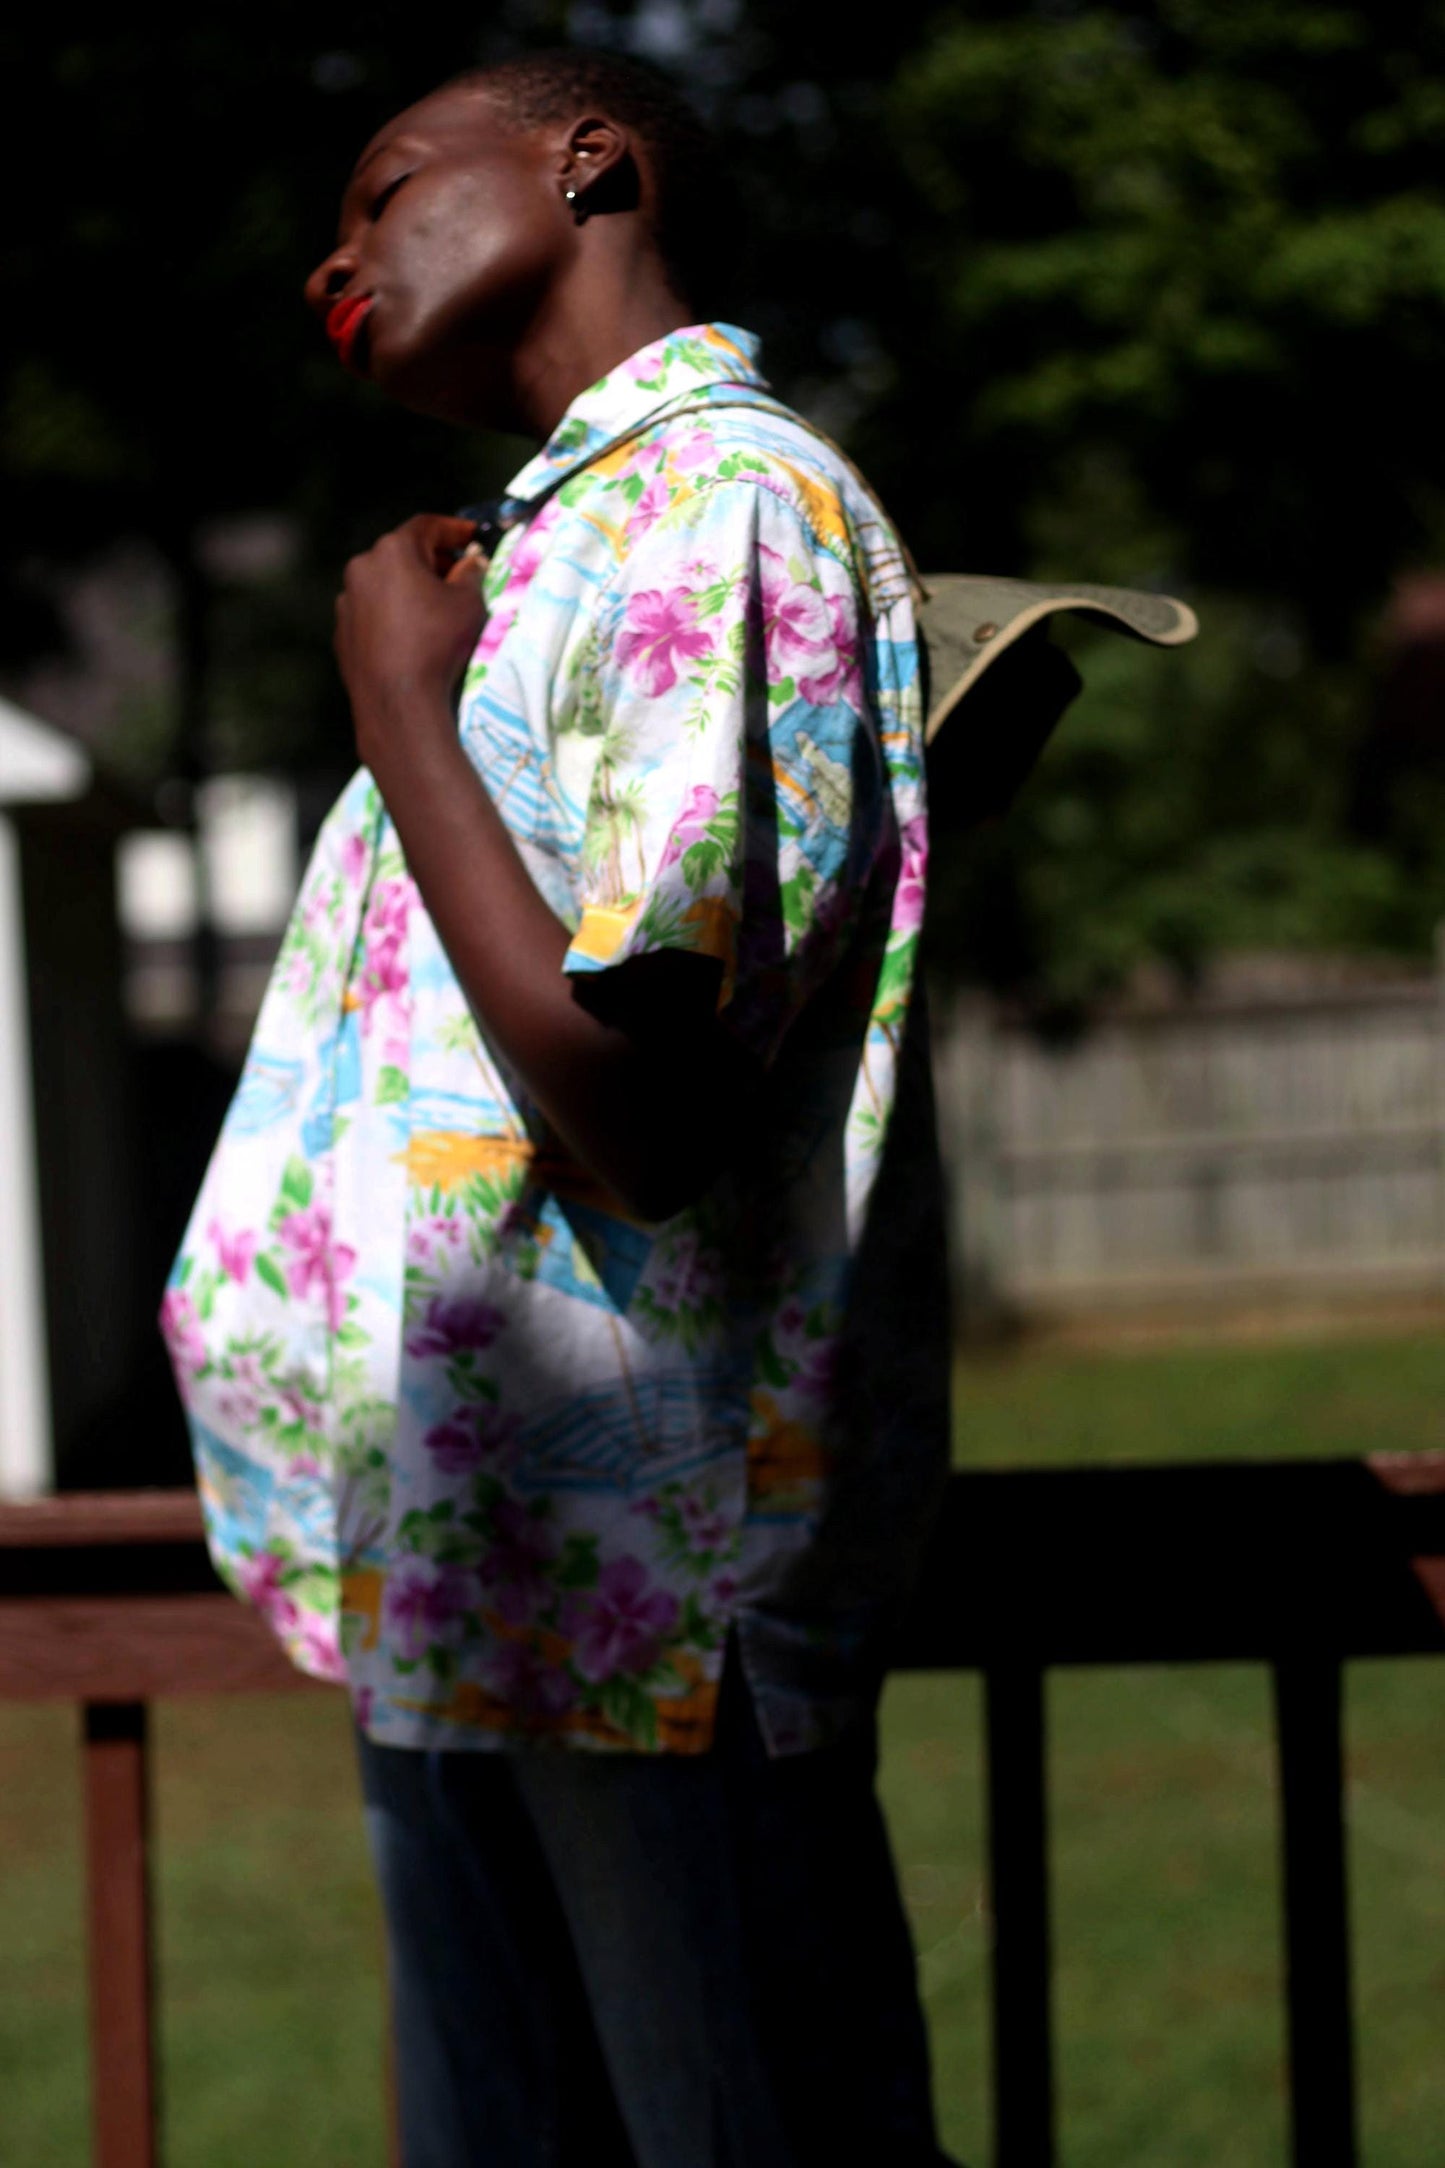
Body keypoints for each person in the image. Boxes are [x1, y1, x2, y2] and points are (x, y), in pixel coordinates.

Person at [163, 46, 955, 2168]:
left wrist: (399, 708)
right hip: (483, 1559)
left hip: (649, 1585)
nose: (334, 251)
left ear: (590, 158)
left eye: (387, 181)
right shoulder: (554, 547)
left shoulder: (728, 504)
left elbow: (652, 1115)